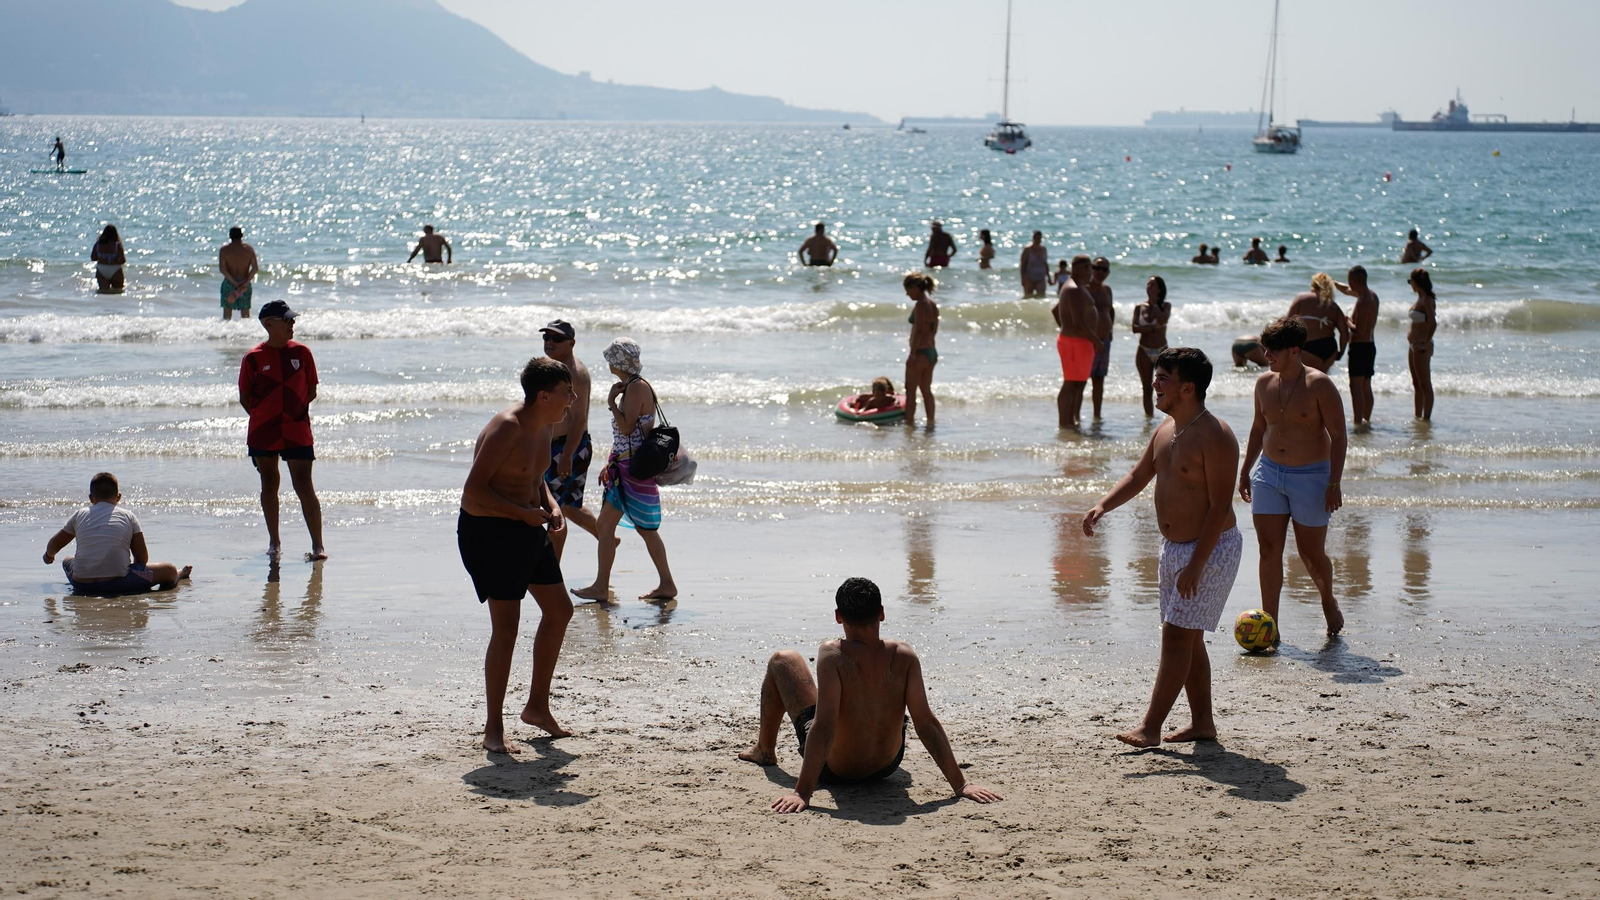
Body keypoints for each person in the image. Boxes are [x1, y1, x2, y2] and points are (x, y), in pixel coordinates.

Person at [1083, 349, 1241, 748]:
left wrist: (1197, 564)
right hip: (1175, 548)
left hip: (1211, 549)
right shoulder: (1166, 430)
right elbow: (1139, 475)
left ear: (1188, 388)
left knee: (1176, 637)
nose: (1154, 383)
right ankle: (1203, 723)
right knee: (1188, 639)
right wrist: (1103, 505)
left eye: (1163, 378)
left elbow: (1221, 505)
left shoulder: (1217, 436)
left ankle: (1150, 728)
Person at [738, 577, 1004, 813]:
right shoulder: (905, 655)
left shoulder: (833, 654)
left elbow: (825, 724)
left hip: (835, 771)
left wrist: (802, 792)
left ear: (838, 616)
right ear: (881, 613)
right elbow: (926, 723)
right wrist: (961, 785)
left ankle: (765, 750)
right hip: (887, 766)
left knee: (783, 660)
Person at [459, 357, 577, 748]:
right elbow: (473, 490)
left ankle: (537, 707)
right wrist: (523, 514)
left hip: (526, 524)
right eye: (566, 393)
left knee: (560, 610)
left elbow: (535, 477)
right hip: (489, 530)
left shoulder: (544, 424)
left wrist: (552, 505)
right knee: (506, 628)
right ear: (544, 395)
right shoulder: (507, 427)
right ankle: (494, 727)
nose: (572, 399)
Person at [1239, 317, 1347, 641]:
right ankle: (1270, 627)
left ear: (1294, 350)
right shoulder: (1263, 384)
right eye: (1264, 349)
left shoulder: (1320, 385)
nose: (1266, 355)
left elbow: (1339, 436)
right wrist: (1245, 470)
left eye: (1272, 350)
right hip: (1269, 474)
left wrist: (1334, 483)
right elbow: (1260, 428)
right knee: (1268, 548)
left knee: (1311, 555)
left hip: (1312, 477)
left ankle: (1327, 599)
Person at [572, 338, 679, 602]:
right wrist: (611, 461)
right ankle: (665, 584)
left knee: (618, 527)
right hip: (625, 466)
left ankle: (604, 586)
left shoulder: (635, 388)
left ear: (618, 362)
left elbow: (628, 428)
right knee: (617, 527)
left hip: (631, 470)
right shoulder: (635, 386)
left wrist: (611, 402)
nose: (608, 363)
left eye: (611, 358)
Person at [239, 300, 326, 561]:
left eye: (292, 319)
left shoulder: (303, 353)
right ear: (269, 324)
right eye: (286, 320)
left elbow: (311, 391)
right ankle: (274, 542)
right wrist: (266, 417)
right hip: (263, 430)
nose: (292, 323)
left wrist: (291, 413)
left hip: (297, 428)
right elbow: (245, 397)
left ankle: (318, 546)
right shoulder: (253, 358)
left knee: (304, 485)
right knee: (269, 483)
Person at [42, 472, 191, 595]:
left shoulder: (80, 514)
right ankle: (177, 574)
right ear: (118, 497)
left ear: (91, 498)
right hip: (120, 583)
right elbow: (142, 558)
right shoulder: (128, 516)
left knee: (68, 559)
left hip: (82, 583)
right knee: (169, 569)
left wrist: (48, 556)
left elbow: (54, 544)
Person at [539, 320, 598, 560]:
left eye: (557, 339)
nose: (550, 342)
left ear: (572, 343)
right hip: (549, 445)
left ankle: (551, 567)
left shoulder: (576, 374)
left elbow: (579, 420)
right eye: (546, 338)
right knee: (568, 507)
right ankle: (606, 538)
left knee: (553, 508)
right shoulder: (548, 367)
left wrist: (566, 457)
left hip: (569, 447)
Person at [1052, 256, 1101, 429]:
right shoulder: (1073, 289)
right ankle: (1064, 423)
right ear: (1079, 268)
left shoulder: (1077, 287)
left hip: (1079, 342)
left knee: (1078, 383)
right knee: (1070, 383)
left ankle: (1071, 422)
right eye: (1089, 268)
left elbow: (1055, 310)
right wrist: (1097, 341)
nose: (1092, 272)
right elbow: (1080, 324)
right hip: (1075, 342)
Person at [1335, 266, 1380, 425]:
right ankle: (1366, 419)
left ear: (1353, 281)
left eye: (1349, 280)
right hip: (1370, 346)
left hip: (1359, 347)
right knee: (1366, 385)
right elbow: (1347, 290)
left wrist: (1346, 320)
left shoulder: (1363, 303)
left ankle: (1357, 422)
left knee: (1356, 388)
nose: (1348, 284)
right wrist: (1332, 283)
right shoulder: (1371, 295)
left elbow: (1358, 331)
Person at [1288, 272, 1350, 372]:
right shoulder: (1333, 305)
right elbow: (1344, 333)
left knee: (1305, 380)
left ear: (1313, 284)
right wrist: (1340, 353)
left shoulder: (1301, 298)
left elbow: (1287, 324)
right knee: (1321, 380)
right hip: (1330, 349)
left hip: (1308, 348)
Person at [1131, 276, 1172, 417]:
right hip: (1144, 350)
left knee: (1167, 387)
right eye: (1148, 284)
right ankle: (1149, 419)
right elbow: (1135, 328)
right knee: (1147, 388)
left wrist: (1154, 305)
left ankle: (1169, 417)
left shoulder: (1165, 306)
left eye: (1153, 285)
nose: (1149, 287)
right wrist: (1152, 327)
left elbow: (1163, 319)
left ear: (1160, 289)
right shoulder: (1139, 307)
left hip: (1162, 350)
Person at [903, 272, 940, 426]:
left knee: (910, 391)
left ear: (917, 287)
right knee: (926, 390)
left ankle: (909, 424)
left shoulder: (920, 305)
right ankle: (930, 423)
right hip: (931, 352)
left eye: (908, 289)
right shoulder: (932, 304)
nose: (907, 293)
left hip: (919, 353)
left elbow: (918, 330)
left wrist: (912, 354)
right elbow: (934, 330)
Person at [1407, 268, 1438, 420]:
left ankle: (1426, 418)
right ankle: (1417, 416)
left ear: (1416, 282)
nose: (1410, 285)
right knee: (1416, 383)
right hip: (1413, 345)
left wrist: (1426, 342)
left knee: (1425, 383)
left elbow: (1433, 323)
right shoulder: (1419, 298)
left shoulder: (1427, 300)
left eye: (1410, 282)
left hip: (1421, 346)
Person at [1087, 257, 1116, 419]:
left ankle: (1096, 416)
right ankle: (1075, 417)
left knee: (1099, 380)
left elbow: (1110, 311)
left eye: (1104, 269)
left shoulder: (1107, 290)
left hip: (1105, 341)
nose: (1100, 272)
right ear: (1091, 268)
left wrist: (1110, 329)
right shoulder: (1085, 289)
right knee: (1081, 381)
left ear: (1108, 273)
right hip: (1088, 341)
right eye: (1097, 268)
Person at [219, 226, 258, 321]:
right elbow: (255, 268)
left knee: (227, 316)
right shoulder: (248, 249)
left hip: (229, 283)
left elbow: (222, 269)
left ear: (229, 236)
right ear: (242, 236)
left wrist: (234, 283)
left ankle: (225, 334)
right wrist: (246, 282)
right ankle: (246, 334)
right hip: (244, 283)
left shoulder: (224, 250)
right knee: (245, 315)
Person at [90, 224, 126, 295]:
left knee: (104, 293)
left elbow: (93, 258)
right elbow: (122, 260)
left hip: (101, 269)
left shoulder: (98, 244)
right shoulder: (117, 245)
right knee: (118, 292)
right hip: (115, 270)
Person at [1020, 231, 1050, 297]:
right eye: (1036, 238)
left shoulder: (1043, 249)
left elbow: (1045, 263)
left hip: (1041, 277)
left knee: (1041, 297)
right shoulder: (1027, 249)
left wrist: (1049, 277)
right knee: (1028, 297)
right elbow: (1023, 264)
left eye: (1039, 239)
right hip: (1029, 277)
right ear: (1033, 238)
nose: (1038, 240)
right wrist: (1023, 278)